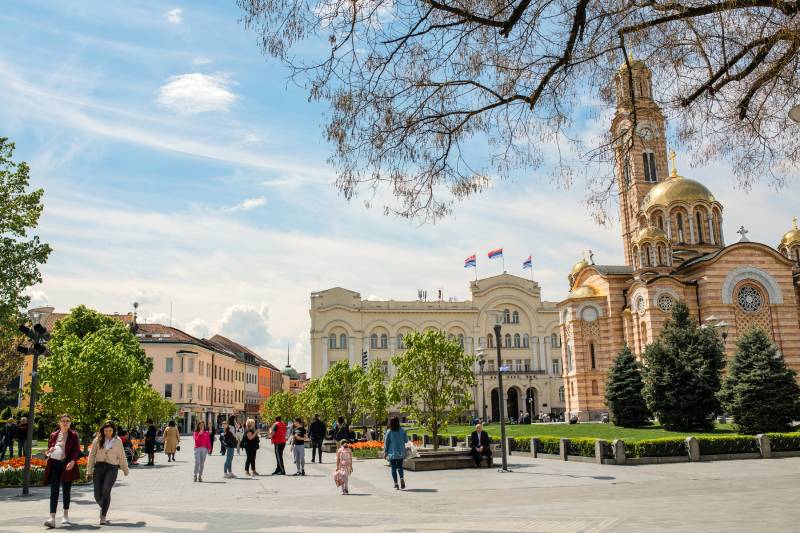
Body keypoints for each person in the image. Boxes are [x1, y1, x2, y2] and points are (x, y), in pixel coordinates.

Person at [87, 421, 129, 525]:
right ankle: (104, 507)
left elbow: (122, 455)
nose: (108, 433)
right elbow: (91, 456)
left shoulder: (117, 441)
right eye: (105, 430)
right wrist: (89, 471)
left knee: (106, 489)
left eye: (110, 430)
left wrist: (125, 469)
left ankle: (103, 516)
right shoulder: (98, 440)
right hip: (99, 467)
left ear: (113, 430)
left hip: (112, 468)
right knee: (97, 495)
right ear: (103, 430)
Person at [43, 414, 81, 529]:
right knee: (54, 490)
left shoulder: (73, 435)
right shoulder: (54, 435)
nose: (65, 423)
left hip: (67, 464)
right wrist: (49, 451)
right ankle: (52, 518)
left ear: (70, 423)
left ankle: (65, 515)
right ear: (59, 422)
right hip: (54, 464)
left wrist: (73, 461)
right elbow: (49, 450)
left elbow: (76, 450)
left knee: (66, 490)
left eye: (68, 421)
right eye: (63, 421)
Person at [383, 417, 408, 490]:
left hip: (392, 452)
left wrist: (385, 452)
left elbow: (386, 443)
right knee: (400, 466)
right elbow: (406, 441)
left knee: (393, 468)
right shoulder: (403, 430)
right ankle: (402, 478)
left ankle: (396, 484)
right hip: (401, 452)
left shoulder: (389, 431)